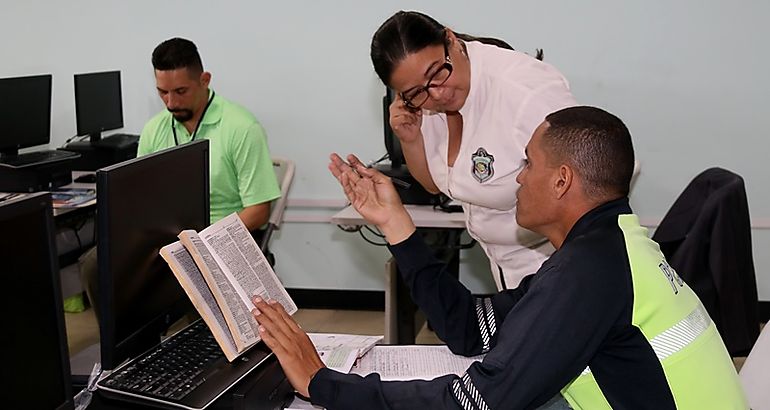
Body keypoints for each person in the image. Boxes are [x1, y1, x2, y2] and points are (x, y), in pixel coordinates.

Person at [251, 106, 747, 409]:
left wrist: (325, 385)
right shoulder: (604, 247)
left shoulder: (589, 274)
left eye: (529, 162)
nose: (518, 176)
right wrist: (397, 227)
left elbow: (479, 402)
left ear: (562, 181)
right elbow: (472, 326)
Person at [369, 11, 578, 290]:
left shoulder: (525, 91)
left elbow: (584, 190)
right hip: (505, 266)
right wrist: (410, 140)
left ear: (451, 40)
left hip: (558, 261)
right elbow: (434, 185)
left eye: (437, 73)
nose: (437, 94)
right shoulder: (424, 104)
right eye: (416, 92)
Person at [137, 37, 279, 231]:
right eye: (163, 92)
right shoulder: (153, 129)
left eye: (181, 91)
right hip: (169, 239)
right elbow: (143, 199)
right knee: (100, 258)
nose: (171, 103)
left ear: (205, 80)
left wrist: (207, 242)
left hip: (226, 238)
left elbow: (259, 210)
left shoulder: (242, 127)